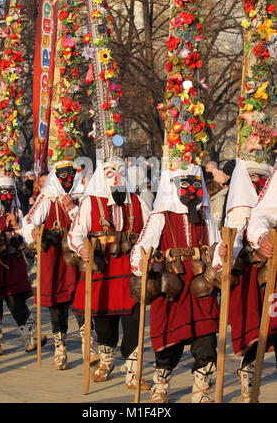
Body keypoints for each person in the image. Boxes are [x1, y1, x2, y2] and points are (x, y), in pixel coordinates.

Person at [130, 163, 221, 403]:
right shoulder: (160, 217)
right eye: (186, 185)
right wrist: (142, 265)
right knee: (169, 337)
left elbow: (218, 245)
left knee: (206, 335)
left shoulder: (205, 216)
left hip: (200, 282)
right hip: (173, 284)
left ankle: (201, 388)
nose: (192, 191)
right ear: (173, 187)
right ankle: (161, 383)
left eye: (195, 185)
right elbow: (142, 249)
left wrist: (219, 265)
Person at [67, 157, 151, 390]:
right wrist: (82, 248)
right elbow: (74, 234)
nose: (117, 177)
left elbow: (151, 231)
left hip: (130, 271)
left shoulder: (138, 202)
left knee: (134, 322)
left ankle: (133, 370)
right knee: (103, 322)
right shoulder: (89, 204)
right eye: (111, 172)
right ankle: (106, 361)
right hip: (101, 271)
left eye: (121, 172)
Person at [212, 158, 277, 402]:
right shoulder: (240, 206)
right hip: (251, 276)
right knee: (254, 330)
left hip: (273, 274)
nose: (259, 182)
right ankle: (248, 372)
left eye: (262, 178)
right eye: (253, 178)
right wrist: (226, 252)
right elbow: (233, 237)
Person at [19, 160, 87, 370]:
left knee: (81, 300)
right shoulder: (46, 198)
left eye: (70, 176)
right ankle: (60, 348)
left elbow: (84, 223)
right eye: (63, 176)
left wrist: (71, 208)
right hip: (54, 257)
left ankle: (88, 343)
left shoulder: (82, 198)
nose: (67, 180)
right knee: (57, 305)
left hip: (75, 256)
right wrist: (32, 231)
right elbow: (29, 221)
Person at [0, 172, 46, 356]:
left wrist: (16, 226)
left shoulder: (16, 210)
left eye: (9, 190)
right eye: (3, 191)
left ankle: (30, 337)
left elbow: (24, 232)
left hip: (13, 259)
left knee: (16, 298)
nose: (6, 195)